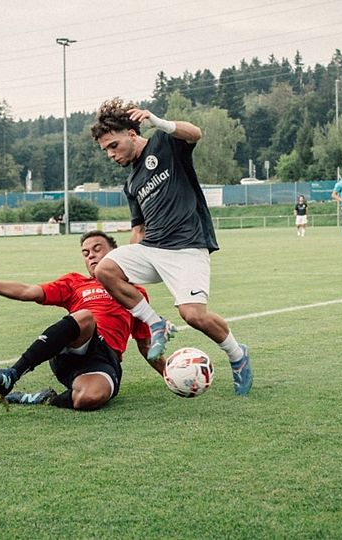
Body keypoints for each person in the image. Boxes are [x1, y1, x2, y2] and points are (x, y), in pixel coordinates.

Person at [89, 97, 252, 396]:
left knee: (193, 316)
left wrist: (160, 122)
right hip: (152, 248)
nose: (110, 155)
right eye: (105, 151)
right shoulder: (131, 183)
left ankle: (237, 355)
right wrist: (127, 272)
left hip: (187, 246)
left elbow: (195, 133)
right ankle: (156, 324)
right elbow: (138, 229)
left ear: (132, 134)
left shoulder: (164, 143)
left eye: (113, 146)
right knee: (106, 269)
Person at [0, 230, 158, 410]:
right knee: (86, 316)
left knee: (90, 398)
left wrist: (170, 372)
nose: (91, 256)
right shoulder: (75, 282)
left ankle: (45, 398)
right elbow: (28, 291)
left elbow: (145, 345)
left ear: (115, 253)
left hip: (104, 359)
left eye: (97, 249)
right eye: (85, 253)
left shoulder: (135, 292)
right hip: (72, 348)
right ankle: (12, 374)